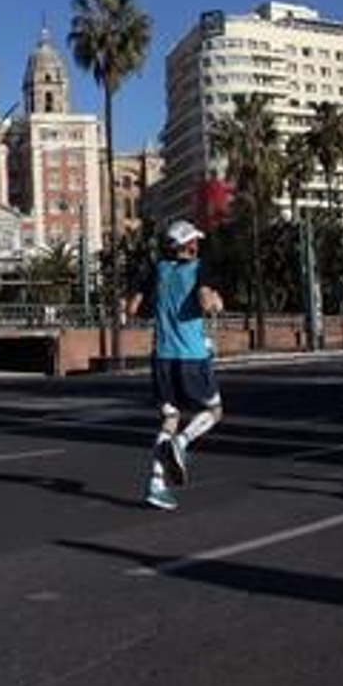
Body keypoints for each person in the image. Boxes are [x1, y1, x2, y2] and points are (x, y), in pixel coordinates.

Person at [125, 218, 225, 511]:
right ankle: (181, 442)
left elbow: (132, 308)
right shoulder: (199, 268)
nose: (197, 244)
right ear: (188, 244)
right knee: (214, 411)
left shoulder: (157, 269)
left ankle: (156, 485)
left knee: (169, 416)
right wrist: (216, 302)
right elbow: (205, 303)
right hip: (192, 357)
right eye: (194, 240)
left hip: (162, 358)